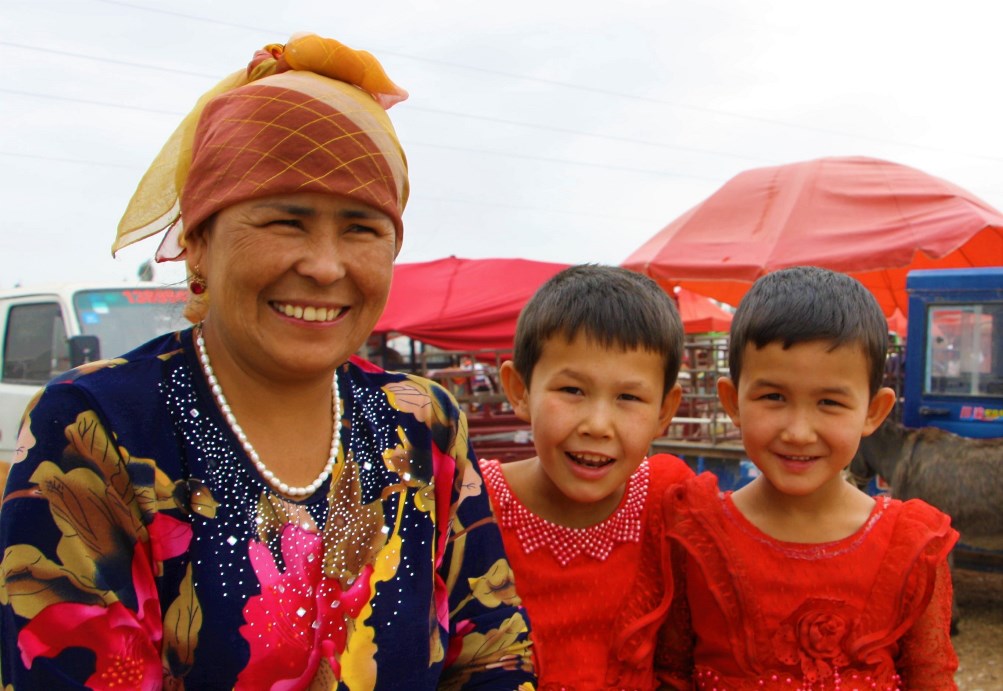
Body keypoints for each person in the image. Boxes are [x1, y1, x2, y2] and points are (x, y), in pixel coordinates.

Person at [0, 33, 535, 689]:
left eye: (362, 227)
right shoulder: (95, 427)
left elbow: (493, 652)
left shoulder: (420, 420)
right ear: (198, 242)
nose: (324, 264)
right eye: (286, 221)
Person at [659, 266, 959, 689]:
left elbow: (931, 678)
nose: (798, 431)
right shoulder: (693, 532)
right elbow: (672, 671)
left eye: (830, 402)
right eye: (773, 397)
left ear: (874, 411)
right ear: (733, 401)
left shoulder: (912, 547)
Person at [478, 264, 695, 688]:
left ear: (665, 412)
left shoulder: (669, 498)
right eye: (572, 391)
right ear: (519, 390)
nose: (598, 424)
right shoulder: (469, 505)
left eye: (629, 397)